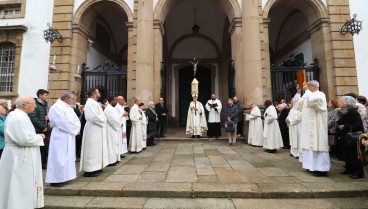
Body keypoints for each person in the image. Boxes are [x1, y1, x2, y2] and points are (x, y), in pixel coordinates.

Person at [0, 96, 45, 209]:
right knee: (18, 184)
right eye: (33, 103)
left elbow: (24, 134)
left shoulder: (22, 115)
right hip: (18, 156)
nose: (35, 106)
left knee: (23, 183)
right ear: (24, 105)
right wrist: (39, 138)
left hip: (21, 154)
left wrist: (36, 136)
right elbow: (22, 139)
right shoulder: (16, 117)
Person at [46, 91, 81, 187]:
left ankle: (65, 177)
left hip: (69, 135)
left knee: (67, 157)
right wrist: (74, 128)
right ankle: (55, 179)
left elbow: (76, 120)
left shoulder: (68, 108)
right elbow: (62, 122)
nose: (74, 100)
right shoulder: (56, 107)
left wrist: (76, 127)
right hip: (60, 135)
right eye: (73, 99)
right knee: (59, 157)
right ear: (67, 98)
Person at [299, 80, 330, 177]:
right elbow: (298, 105)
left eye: (308, 86)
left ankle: (321, 169)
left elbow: (314, 101)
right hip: (308, 127)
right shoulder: (309, 94)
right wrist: (299, 92)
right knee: (308, 146)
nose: (306, 88)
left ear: (313, 86)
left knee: (318, 145)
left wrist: (306, 91)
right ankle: (310, 166)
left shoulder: (320, 94)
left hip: (317, 126)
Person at [80, 88, 108, 177]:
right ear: (94, 94)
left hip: (97, 128)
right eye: (98, 92)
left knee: (96, 149)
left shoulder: (94, 103)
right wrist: (104, 119)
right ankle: (89, 170)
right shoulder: (90, 103)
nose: (99, 93)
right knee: (91, 149)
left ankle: (96, 167)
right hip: (92, 128)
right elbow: (92, 117)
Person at [337, 96, 364, 179]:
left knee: (353, 155)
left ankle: (357, 172)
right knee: (347, 154)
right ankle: (349, 169)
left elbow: (358, 126)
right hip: (345, 136)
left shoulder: (354, 113)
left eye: (341, 102)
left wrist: (344, 126)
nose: (339, 103)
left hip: (352, 137)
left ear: (347, 104)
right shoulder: (343, 112)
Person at [28, 89, 49, 169]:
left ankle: (44, 162)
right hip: (38, 129)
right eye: (45, 95)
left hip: (45, 128)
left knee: (44, 147)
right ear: (40, 95)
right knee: (39, 148)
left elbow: (45, 115)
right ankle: (39, 163)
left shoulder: (45, 104)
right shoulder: (35, 103)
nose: (47, 97)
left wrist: (47, 119)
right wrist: (42, 127)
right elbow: (33, 117)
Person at [104, 97, 122, 166]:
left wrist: (119, 123)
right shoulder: (108, 109)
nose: (116, 102)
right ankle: (111, 160)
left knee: (115, 144)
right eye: (115, 101)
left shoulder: (112, 108)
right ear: (111, 101)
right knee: (111, 145)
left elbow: (116, 117)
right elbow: (112, 119)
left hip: (114, 128)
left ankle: (115, 158)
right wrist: (118, 125)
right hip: (110, 129)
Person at [286, 92, 304, 158]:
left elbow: (299, 117)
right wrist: (287, 119)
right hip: (292, 126)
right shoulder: (292, 109)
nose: (291, 102)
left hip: (298, 126)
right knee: (293, 139)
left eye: (292, 101)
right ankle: (293, 152)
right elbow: (288, 116)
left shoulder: (301, 108)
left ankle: (298, 154)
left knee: (298, 140)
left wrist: (290, 121)